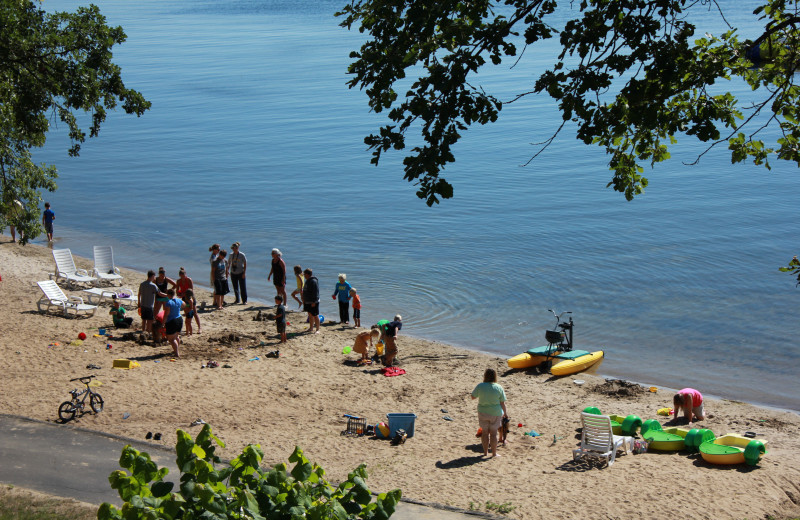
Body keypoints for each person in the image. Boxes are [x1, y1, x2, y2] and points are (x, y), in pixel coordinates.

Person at [471, 368, 508, 458]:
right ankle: (494, 454)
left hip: (483, 412)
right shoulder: (498, 387)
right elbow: (502, 403)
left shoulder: (480, 386)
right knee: (493, 433)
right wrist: (505, 413)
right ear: (495, 376)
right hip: (495, 413)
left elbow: (472, 397)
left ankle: (485, 453)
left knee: (484, 433)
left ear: (485, 376)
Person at [138, 270, 166, 338]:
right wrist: (168, 295)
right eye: (154, 276)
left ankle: (143, 332)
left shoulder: (142, 284)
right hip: (149, 306)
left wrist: (139, 302)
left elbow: (139, 294)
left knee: (144, 320)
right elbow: (160, 294)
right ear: (152, 276)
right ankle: (147, 333)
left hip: (143, 304)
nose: (155, 278)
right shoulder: (153, 286)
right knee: (150, 320)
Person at [163, 288, 185, 357]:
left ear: (168, 295)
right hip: (179, 319)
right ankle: (176, 350)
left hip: (172, 321)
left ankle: (176, 353)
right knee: (176, 336)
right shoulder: (179, 300)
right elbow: (184, 305)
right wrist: (179, 308)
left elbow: (166, 314)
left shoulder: (168, 303)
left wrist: (163, 323)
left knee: (172, 339)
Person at [302, 268, 320, 333]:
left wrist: (314, 302)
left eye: (304, 274)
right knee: (310, 315)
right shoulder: (307, 280)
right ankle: (311, 328)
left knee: (315, 315)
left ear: (307, 274)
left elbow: (315, 292)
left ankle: (317, 329)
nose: (304, 275)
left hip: (313, 301)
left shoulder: (313, 281)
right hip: (307, 301)